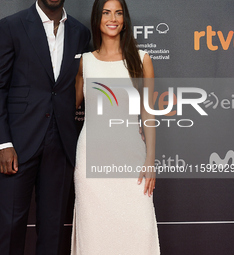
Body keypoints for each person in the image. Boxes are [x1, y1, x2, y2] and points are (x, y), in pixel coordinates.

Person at [0, 0, 90, 254]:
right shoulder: (11, 26)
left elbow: (83, 84)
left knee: (53, 230)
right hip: (18, 143)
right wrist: (3, 144)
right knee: (11, 226)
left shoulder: (80, 32)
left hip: (62, 142)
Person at [71, 0, 160, 254]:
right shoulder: (84, 62)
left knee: (137, 231)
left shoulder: (142, 60)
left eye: (119, 13)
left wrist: (150, 159)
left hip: (132, 159)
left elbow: (149, 114)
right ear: (97, 18)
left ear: (125, 19)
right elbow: (65, 106)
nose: (113, 18)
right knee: (95, 234)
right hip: (91, 161)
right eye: (107, 12)